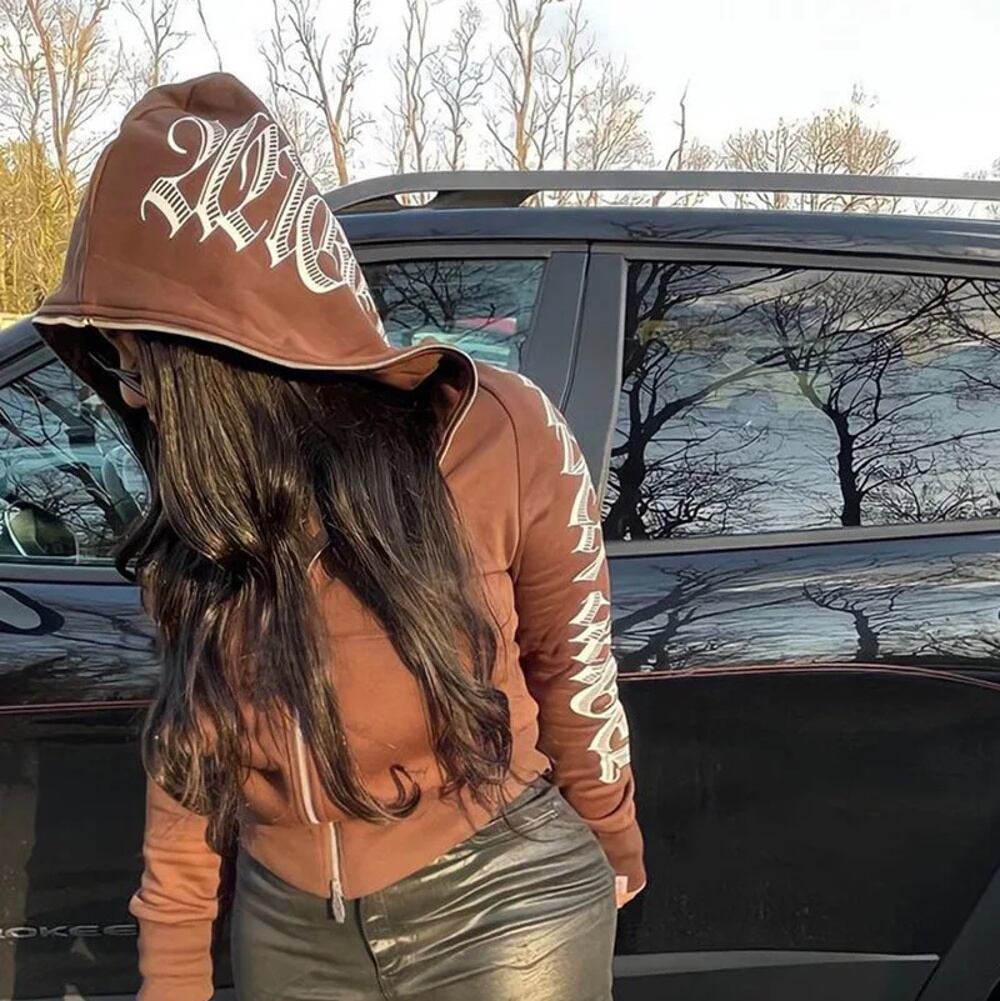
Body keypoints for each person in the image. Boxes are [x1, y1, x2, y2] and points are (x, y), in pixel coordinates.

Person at [33, 73, 644, 1001]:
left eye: (137, 360)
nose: (130, 395)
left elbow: (574, 665)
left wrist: (613, 838)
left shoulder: (499, 428)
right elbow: (188, 772)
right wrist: (174, 974)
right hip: (288, 929)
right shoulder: (206, 519)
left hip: (502, 904)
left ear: (223, 361)